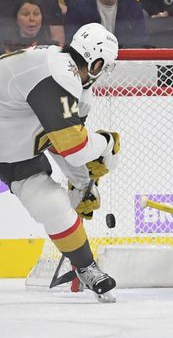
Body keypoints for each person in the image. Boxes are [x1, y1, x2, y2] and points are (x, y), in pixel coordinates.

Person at [0, 22, 119, 301]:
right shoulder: (57, 74)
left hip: (17, 154)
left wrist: (81, 184)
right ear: (97, 62)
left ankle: (85, 267)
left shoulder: (72, 84)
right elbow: (76, 149)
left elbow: (61, 143)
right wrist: (107, 143)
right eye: (107, 65)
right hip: (11, 147)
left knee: (55, 207)